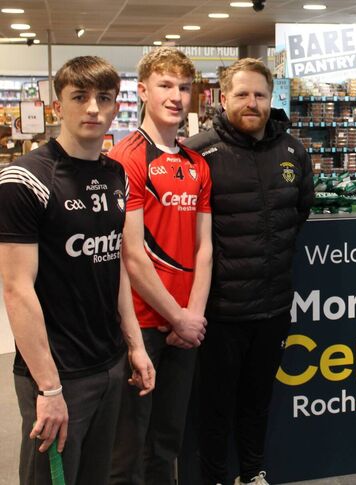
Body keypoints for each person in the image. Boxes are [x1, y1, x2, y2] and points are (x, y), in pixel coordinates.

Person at [0, 56, 154, 485]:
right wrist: (48, 388)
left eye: (103, 98)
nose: (93, 109)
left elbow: (115, 263)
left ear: (115, 105)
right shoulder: (25, 179)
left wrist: (135, 346)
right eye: (80, 97)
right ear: (57, 107)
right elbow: (16, 290)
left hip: (109, 364)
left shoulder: (116, 175)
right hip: (58, 375)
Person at [184, 57, 314, 485]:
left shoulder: (293, 149)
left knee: (259, 401)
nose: (251, 102)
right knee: (216, 407)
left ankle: (253, 472)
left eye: (259, 94)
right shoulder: (199, 152)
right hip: (220, 311)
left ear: (271, 98)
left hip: (274, 305)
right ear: (224, 99)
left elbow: (300, 211)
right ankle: (215, 478)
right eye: (241, 93)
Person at [109, 47, 212, 484]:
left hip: (185, 326)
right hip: (142, 325)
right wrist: (177, 316)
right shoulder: (125, 159)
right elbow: (131, 255)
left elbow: (205, 249)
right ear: (143, 90)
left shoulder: (197, 165)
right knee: (128, 450)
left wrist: (193, 317)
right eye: (166, 86)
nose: (176, 96)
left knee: (167, 442)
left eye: (184, 88)